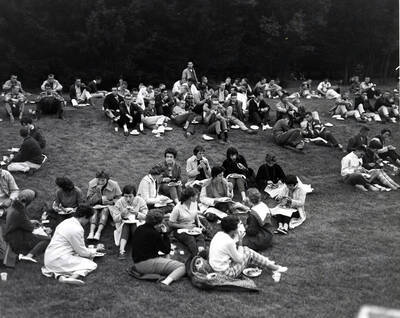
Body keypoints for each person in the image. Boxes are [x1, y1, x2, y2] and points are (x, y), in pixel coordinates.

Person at [208, 215, 287, 278]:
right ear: (233, 229)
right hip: (226, 273)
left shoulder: (219, 234)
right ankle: (274, 267)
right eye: (238, 226)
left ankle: (268, 263)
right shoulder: (229, 242)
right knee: (248, 252)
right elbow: (239, 259)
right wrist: (240, 242)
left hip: (215, 267)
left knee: (246, 250)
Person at [128, 210, 186, 289]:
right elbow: (167, 250)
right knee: (182, 267)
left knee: (167, 257)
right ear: (159, 223)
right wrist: (165, 234)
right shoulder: (153, 233)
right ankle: (165, 282)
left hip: (137, 262)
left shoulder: (139, 228)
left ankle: (166, 269)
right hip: (146, 264)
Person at [42, 205, 98, 285]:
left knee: (68, 263)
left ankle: (60, 276)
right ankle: (72, 278)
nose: (88, 221)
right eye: (88, 219)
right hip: (59, 259)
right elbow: (82, 252)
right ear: (85, 217)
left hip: (48, 258)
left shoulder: (65, 222)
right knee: (91, 264)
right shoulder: (77, 229)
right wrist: (93, 252)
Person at [4, 189, 50, 263]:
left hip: (11, 234)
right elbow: (30, 228)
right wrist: (39, 228)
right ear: (29, 200)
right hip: (16, 239)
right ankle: (28, 256)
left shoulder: (13, 205)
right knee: (47, 239)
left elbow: (18, 222)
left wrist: (30, 221)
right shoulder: (19, 212)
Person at [112, 185, 148, 260]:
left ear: (134, 195)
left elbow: (146, 216)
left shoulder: (140, 200)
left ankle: (138, 250)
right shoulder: (119, 202)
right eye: (125, 196)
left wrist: (137, 213)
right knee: (126, 225)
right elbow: (115, 219)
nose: (128, 199)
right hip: (123, 225)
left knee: (133, 225)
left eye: (130, 196)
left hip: (138, 224)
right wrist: (122, 214)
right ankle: (121, 251)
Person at [168, 187, 205, 256]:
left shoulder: (194, 203)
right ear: (191, 197)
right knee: (190, 239)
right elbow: (170, 223)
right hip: (180, 229)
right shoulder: (177, 208)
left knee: (200, 237)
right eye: (196, 195)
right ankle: (197, 256)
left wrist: (199, 223)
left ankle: (202, 251)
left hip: (192, 227)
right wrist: (185, 226)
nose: (197, 197)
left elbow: (195, 213)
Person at [86, 171, 122, 241]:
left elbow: (119, 198)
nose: (100, 182)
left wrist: (110, 202)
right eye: (98, 180)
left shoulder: (114, 185)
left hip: (108, 206)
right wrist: (97, 194)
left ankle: (98, 232)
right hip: (96, 205)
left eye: (103, 180)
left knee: (105, 211)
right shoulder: (92, 184)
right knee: (94, 212)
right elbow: (89, 201)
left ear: (107, 180)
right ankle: (91, 232)